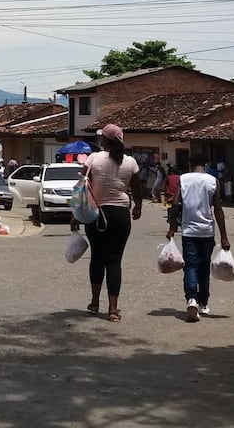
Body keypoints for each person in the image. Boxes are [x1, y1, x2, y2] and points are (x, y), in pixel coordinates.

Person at [73, 124, 142, 322]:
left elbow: (82, 188)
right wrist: (138, 206)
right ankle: (112, 309)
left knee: (97, 258)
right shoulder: (130, 162)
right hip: (120, 215)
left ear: (104, 140)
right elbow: (137, 189)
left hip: (96, 214)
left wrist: (75, 214)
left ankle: (95, 303)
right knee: (114, 261)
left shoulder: (93, 159)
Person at [167, 154, 231, 322]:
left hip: (189, 231)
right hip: (207, 231)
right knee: (204, 266)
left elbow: (175, 204)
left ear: (190, 164)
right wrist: (224, 237)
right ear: (206, 164)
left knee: (190, 266)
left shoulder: (183, 179)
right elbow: (218, 209)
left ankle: (191, 299)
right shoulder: (213, 181)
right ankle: (203, 302)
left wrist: (172, 227)